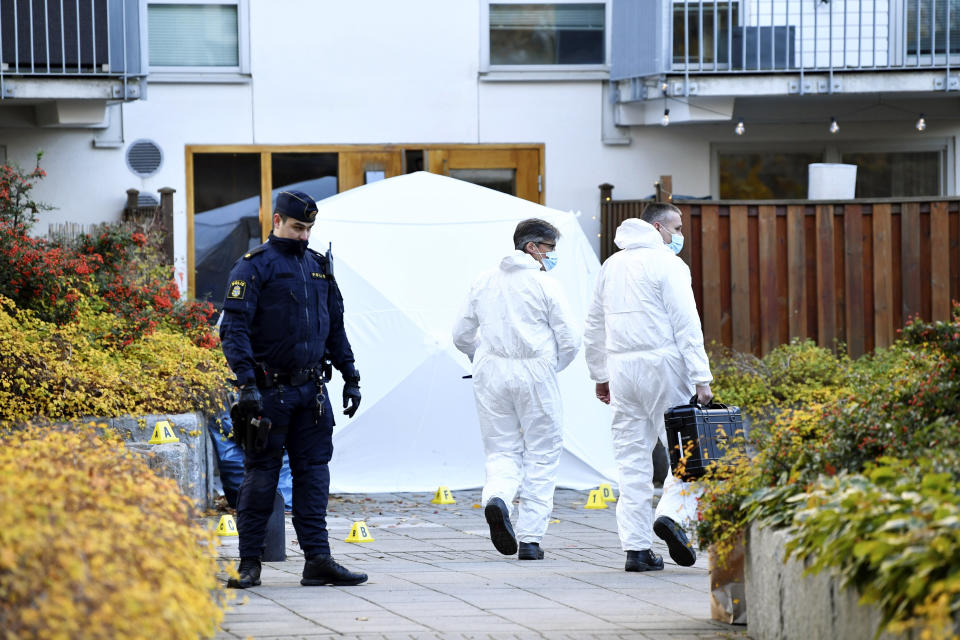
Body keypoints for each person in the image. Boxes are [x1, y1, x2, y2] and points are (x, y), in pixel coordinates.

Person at [219, 190, 366, 588]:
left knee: (314, 476)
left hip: (312, 394)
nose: (304, 236)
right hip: (268, 393)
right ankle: (249, 564)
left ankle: (317, 560)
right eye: (298, 227)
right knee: (261, 477)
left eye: (309, 229)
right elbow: (233, 331)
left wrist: (350, 375)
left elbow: (334, 326)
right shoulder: (253, 268)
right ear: (277, 221)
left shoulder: (319, 267)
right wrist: (247, 383)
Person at [583, 203, 713, 572]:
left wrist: (600, 374)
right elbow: (687, 322)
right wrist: (701, 377)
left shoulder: (611, 265)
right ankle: (672, 515)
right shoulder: (669, 265)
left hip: (622, 367)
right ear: (657, 227)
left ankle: (636, 549)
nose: (679, 234)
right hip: (664, 365)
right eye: (676, 227)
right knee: (686, 452)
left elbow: (593, 325)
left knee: (631, 459)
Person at [452, 218, 580, 561]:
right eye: (550, 249)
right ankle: (531, 539)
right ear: (532, 247)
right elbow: (570, 340)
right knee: (542, 452)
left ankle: (498, 498)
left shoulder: (484, 281)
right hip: (535, 372)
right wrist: (551, 367)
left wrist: (478, 357)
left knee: (501, 450)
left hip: (491, 373)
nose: (552, 257)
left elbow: (460, 335)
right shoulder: (546, 285)